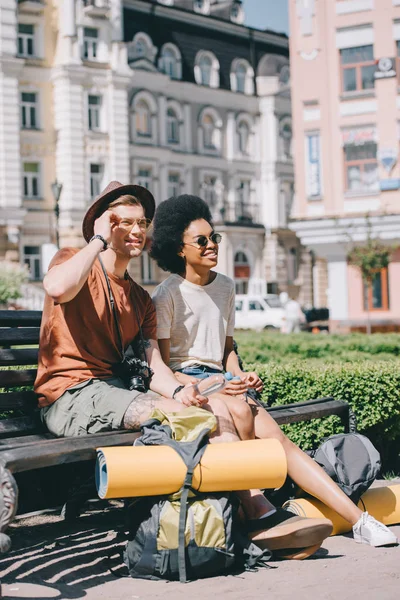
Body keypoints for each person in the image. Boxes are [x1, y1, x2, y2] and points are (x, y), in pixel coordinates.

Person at [34, 181, 332, 557]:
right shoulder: (72, 260)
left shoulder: (140, 298)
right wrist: (96, 241)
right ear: (102, 224)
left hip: (113, 394)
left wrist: (178, 390)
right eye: (123, 222)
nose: (136, 231)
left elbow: (153, 361)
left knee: (202, 410)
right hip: (69, 396)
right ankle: (255, 513)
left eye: (142, 223)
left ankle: (242, 510)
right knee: (181, 416)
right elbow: (58, 288)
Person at [150, 194, 398, 549]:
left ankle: (359, 520)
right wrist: (212, 384)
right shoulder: (167, 295)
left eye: (214, 238)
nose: (211, 246)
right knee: (237, 412)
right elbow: (165, 368)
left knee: (282, 444)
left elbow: (227, 353)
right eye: (201, 241)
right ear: (179, 248)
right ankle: (259, 510)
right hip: (189, 386)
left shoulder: (225, 287)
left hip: (224, 381)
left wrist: (240, 375)